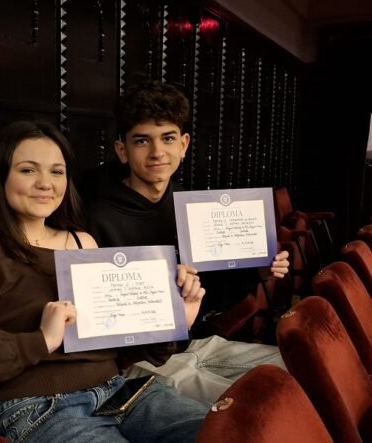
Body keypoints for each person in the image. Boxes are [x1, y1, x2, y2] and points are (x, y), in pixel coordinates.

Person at [0, 120, 208, 443]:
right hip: (38, 406)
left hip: (121, 391)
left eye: (56, 171)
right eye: (27, 170)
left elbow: (118, 347)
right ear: (1, 177)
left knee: (224, 433)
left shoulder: (83, 242)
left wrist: (176, 319)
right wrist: (40, 340)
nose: (45, 183)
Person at [84, 79, 290, 403]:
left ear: (184, 144)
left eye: (167, 138)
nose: (157, 152)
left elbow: (215, 291)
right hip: (137, 359)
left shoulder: (192, 205)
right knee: (251, 405)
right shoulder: (94, 217)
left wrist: (260, 272)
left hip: (196, 342)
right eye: (142, 141)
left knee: (295, 367)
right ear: (122, 150)